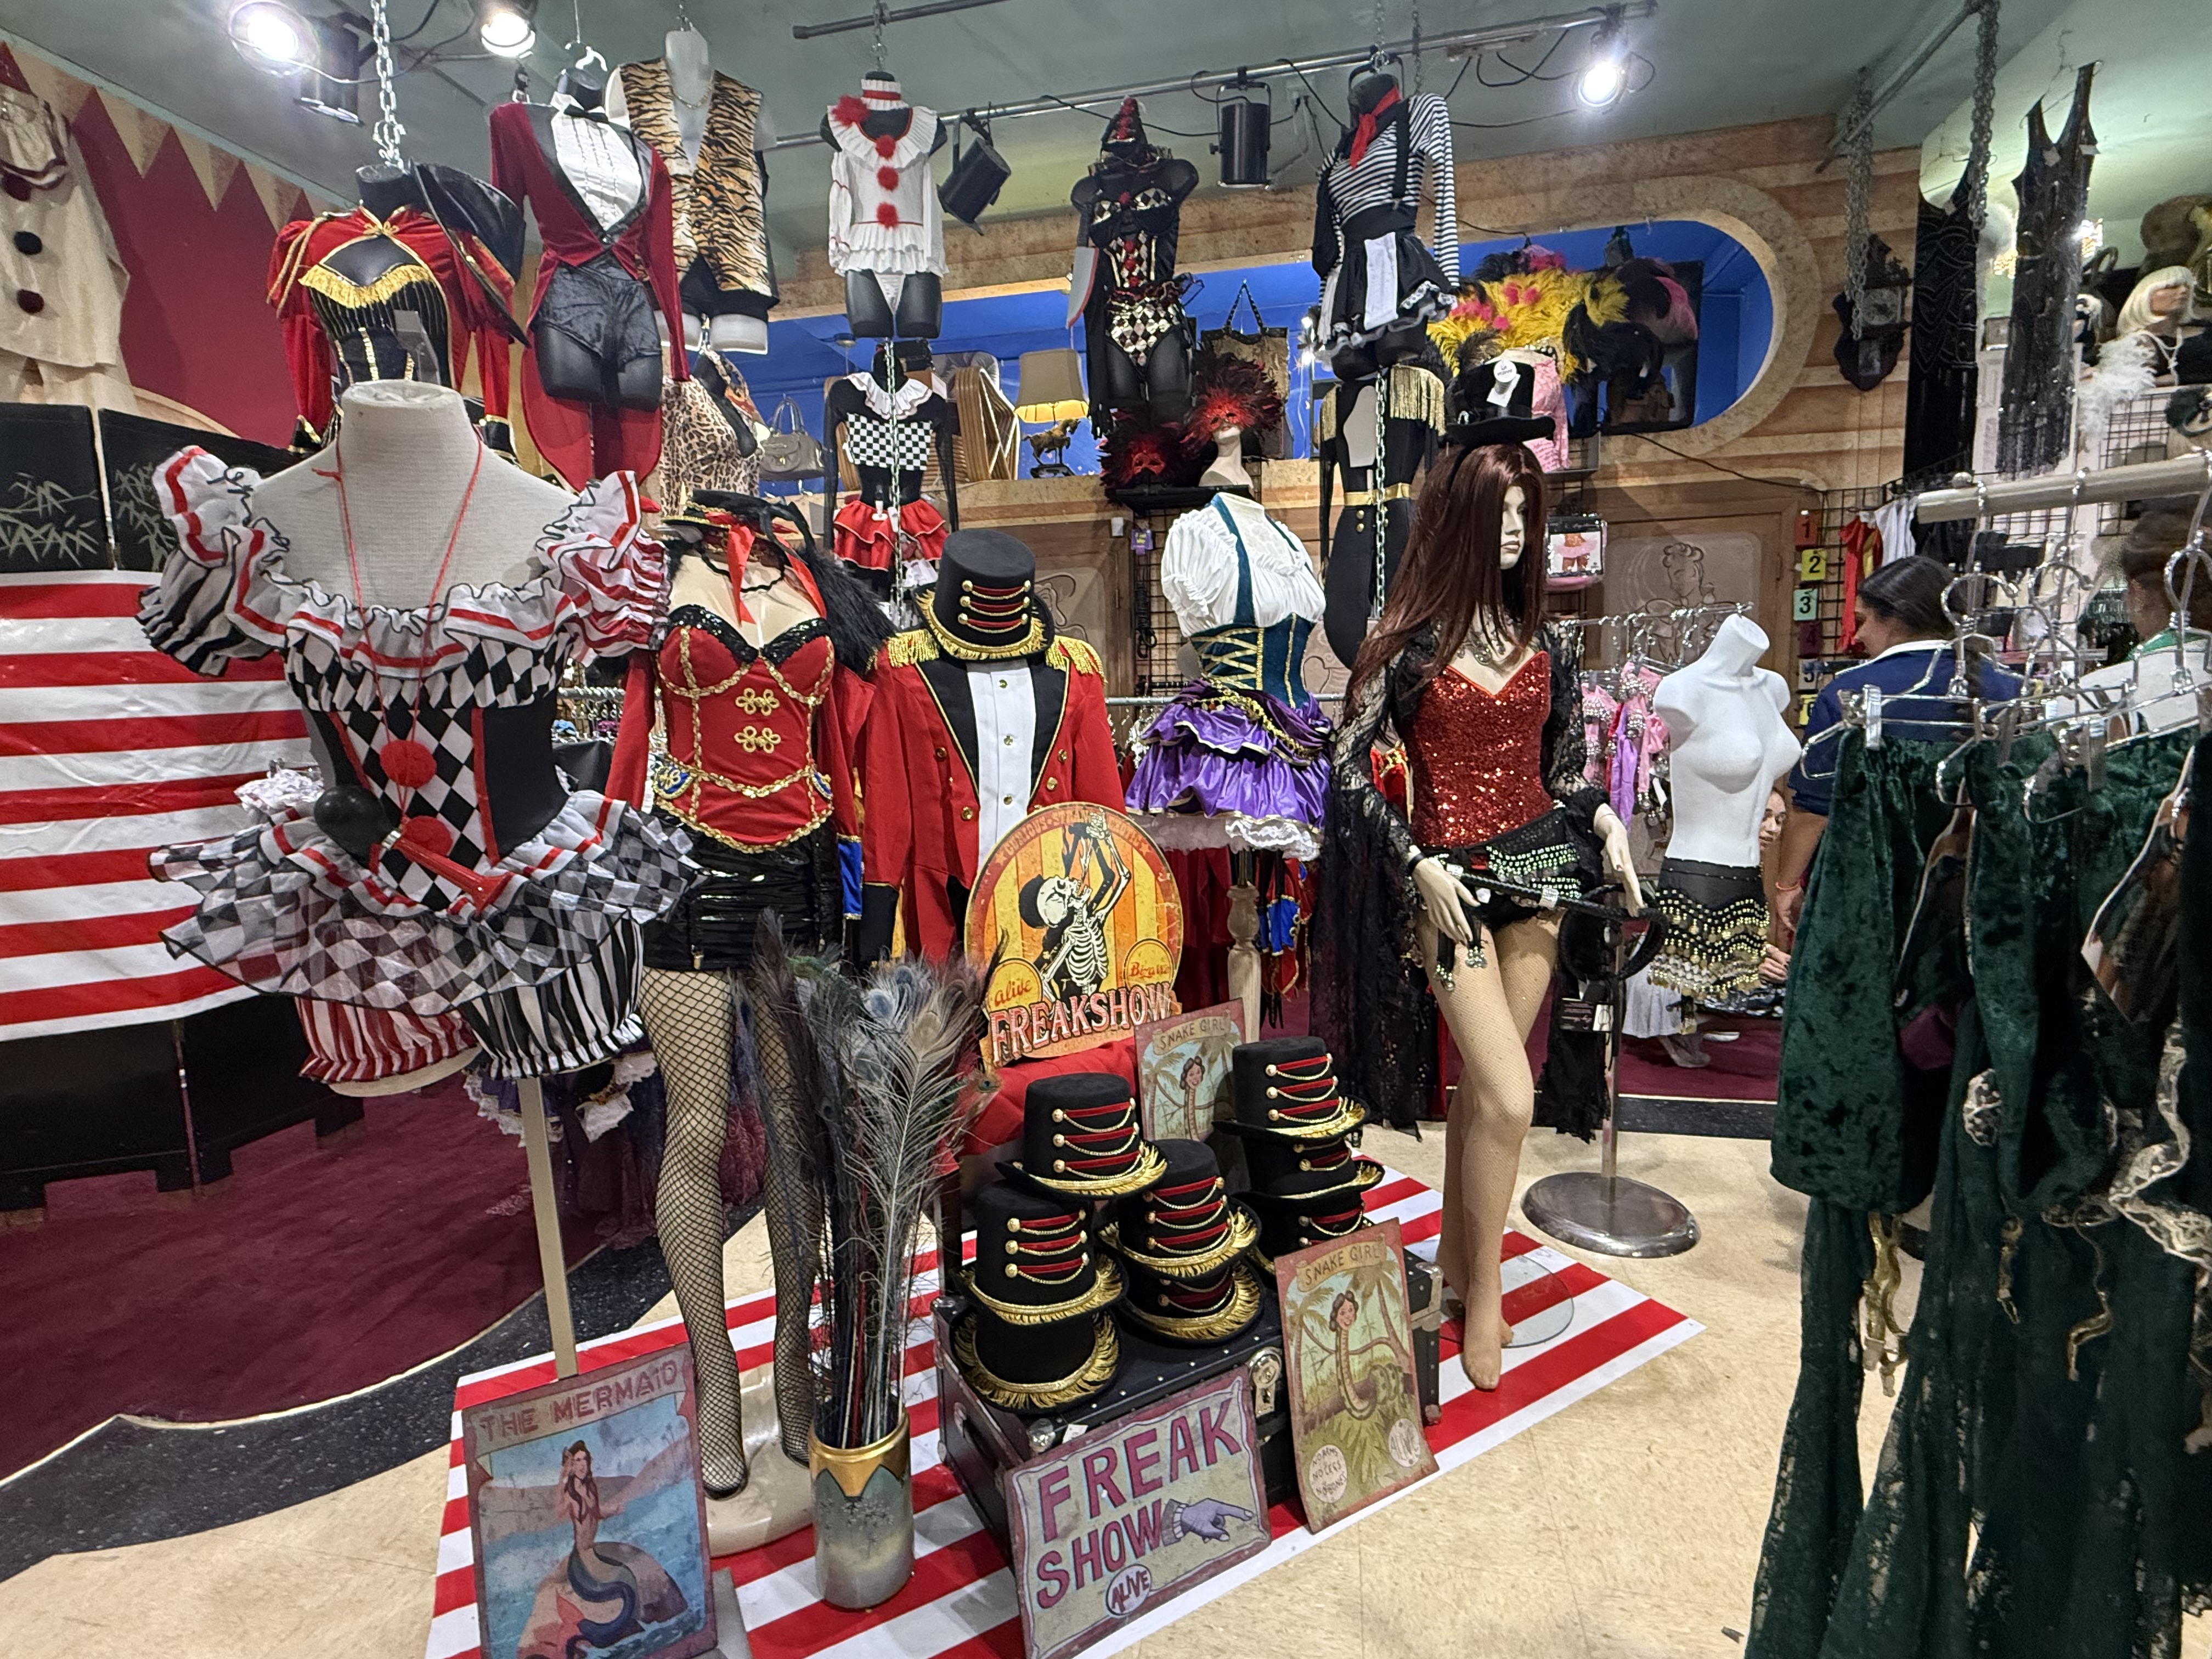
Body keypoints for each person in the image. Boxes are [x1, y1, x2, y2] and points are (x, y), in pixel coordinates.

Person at [1771, 555, 2018, 946]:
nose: (1859, 635)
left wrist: (1786, 885)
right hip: (1980, 891)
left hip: (1870, 893)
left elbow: (1814, 809)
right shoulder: (2011, 689)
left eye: (1864, 619)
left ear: (1896, 619)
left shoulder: (1848, 694)